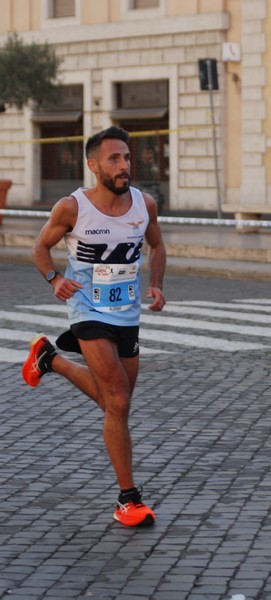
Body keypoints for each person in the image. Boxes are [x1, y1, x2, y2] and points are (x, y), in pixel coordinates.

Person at [21, 126, 166, 527]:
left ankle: (51, 360)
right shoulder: (72, 208)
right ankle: (128, 499)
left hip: (127, 315)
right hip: (88, 311)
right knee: (117, 400)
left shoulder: (144, 204)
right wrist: (54, 279)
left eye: (127, 158)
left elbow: (157, 244)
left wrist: (156, 283)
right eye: (114, 159)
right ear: (93, 165)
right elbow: (39, 247)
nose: (124, 166)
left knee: (114, 404)